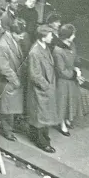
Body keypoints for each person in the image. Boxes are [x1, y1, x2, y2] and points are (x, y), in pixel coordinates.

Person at [27, 25, 58, 153]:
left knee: (43, 115)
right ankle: (42, 142)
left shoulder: (44, 48)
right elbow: (35, 75)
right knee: (40, 117)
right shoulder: (35, 52)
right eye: (50, 35)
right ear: (43, 37)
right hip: (40, 90)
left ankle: (42, 138)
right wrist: (47, 87)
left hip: (46, 89)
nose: (52, 37)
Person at [0, 18, 28, 141]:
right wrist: (15, 81)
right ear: (13, 33)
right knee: (7, 109)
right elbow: (4, 68)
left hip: (14, 80)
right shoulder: (2, 45)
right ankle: (7, 131)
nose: (21, 38)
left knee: (11, 107)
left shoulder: (13, 40)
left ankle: (10, 128)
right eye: (20, 35)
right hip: (8, 82)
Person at [54, 24, 84, 136]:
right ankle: (61, 124)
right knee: (62, 103)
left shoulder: (72, 44)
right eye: (73, 34)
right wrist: (75, 74)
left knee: (71, 101)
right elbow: (61, 71)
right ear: (67, 36)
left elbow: (76, 57)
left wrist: (77, 67)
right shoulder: (58, 50)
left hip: (71, 79)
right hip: (63, 81)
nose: (74, 36)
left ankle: (68, 119)